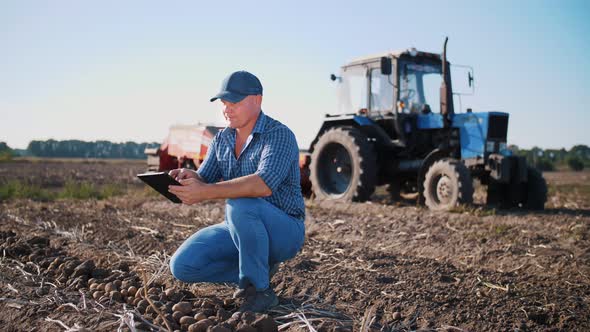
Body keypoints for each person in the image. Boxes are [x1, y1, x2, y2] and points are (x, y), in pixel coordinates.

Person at [167, 70, 305, 313]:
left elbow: (262, 184)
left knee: (239, 204)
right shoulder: (222, 139)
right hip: (242, 226)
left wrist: (205, 192)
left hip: (284, 230)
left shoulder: (279, 135)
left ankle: (258, 290)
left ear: (257, 100)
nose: (226, 109)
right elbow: (205, 177)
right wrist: (190, 178)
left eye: (234, 102)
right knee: (182, 266)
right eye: (224, 103)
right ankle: (257, 269)